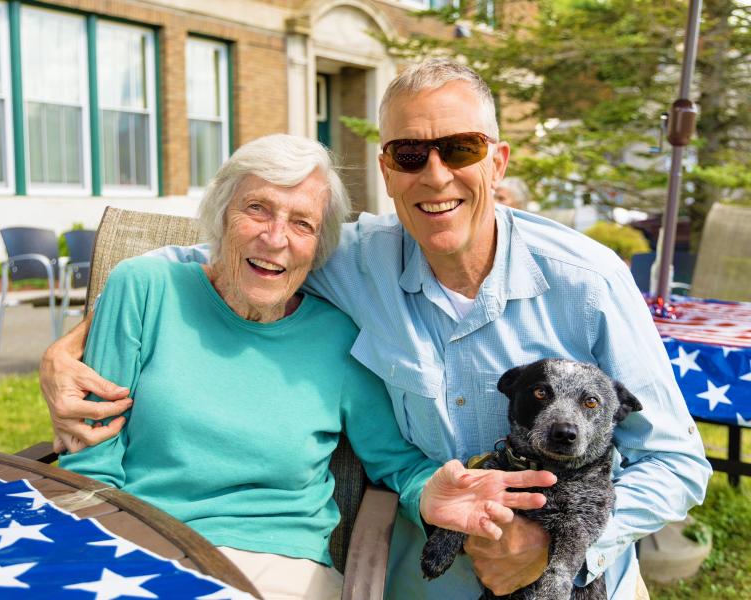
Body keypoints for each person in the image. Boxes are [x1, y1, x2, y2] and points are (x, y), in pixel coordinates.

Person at [41, 60, 711, 599]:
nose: (436, 174)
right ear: (388, 171)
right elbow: (228, 262)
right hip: (436, 570)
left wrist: (553, 548)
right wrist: (72, 342)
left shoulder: (588, 281)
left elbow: (678, 462)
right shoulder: (356, 262)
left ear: (498, 162)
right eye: (411, 153)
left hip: (575, 572)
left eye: (461, 148)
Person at [55, 133, 554, 600]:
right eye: (257, 209)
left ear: (320, 247)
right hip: (140, 542)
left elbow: (395, 462)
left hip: (278, 565)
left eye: (302, 224)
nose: (276, 239)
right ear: (220, 214)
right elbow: (90, 459)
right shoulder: (144, 289)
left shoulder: (338, 336)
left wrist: (431, 495)